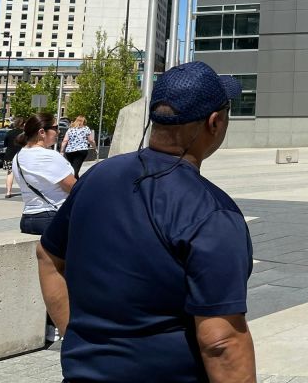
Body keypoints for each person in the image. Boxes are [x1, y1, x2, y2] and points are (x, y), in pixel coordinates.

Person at [37, 61, 256, 383]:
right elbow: (221, 342)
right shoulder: (212, 213)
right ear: (215, 122)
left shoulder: (97, 177)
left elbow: (48, 257)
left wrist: (78, 337)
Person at [13, 114, 75, 234]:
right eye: (55, 128)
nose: (58, 132)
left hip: (27, 219)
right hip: (52, 217)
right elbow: (72, 187)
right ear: (42, 132)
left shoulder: (18, 156)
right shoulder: (49, 156)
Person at [3, 117, 25, 198]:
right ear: (23, 124)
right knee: (23, 174)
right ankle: (25, 191)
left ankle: (8, 192)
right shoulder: (25, 133)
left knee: (10, 173)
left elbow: (5, 144)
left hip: (9, 155)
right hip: (21, 155)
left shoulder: (9, 132)